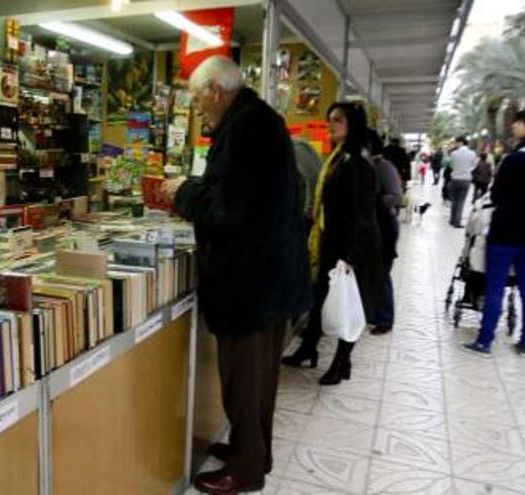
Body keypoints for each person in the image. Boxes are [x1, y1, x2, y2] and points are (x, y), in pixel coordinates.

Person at [161, 56, 310, 494]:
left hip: (249, 284)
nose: (196, 108)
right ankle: (255, 451)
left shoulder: (244, 129)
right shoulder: (259, 121)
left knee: (242, 379)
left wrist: (181, 192)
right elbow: (241, 196)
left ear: (215, 91)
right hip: (269, 278)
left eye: (196, 98)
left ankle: (246, 471)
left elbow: (226, 210)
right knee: (261, 378)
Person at [281, 102, 383, 386]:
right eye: (330, 119)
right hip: (331, 241)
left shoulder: (358, 162)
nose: (331, 124)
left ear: (353, 123)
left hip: (351, 248)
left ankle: (342, 362)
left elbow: (363, 214)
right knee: (320, 298)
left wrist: (351, 255)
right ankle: (308, 347)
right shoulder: (339, 157)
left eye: (337, 120)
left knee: (347, 303)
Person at [462, 109, 525, 357]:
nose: (513, 126)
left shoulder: (515, 159)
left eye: (518, 122)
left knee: (495, 284)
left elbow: (496, 195)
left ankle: (485, 341)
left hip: (506, 231)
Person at [367, 130, 402, 335]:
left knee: (382, 273)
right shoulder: (369, 165)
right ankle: (373, 313)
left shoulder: (383, 166)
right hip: (374, 226)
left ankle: (385, 319)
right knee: (373, 272)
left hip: (384, 228)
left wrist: (376, 202)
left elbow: (397, 197)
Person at [447, 136, 477, 227]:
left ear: (460, 143)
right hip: (466, 179)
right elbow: (474, 165)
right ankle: (457, 222)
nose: (455, 144)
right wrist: (467, 170)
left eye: (456, 142)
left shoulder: (453, 154)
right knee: (461, 201)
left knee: (454, 200)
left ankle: (452, 220)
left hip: (455, 178)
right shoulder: (472, 153)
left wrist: (457, 170)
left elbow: (451, 165)